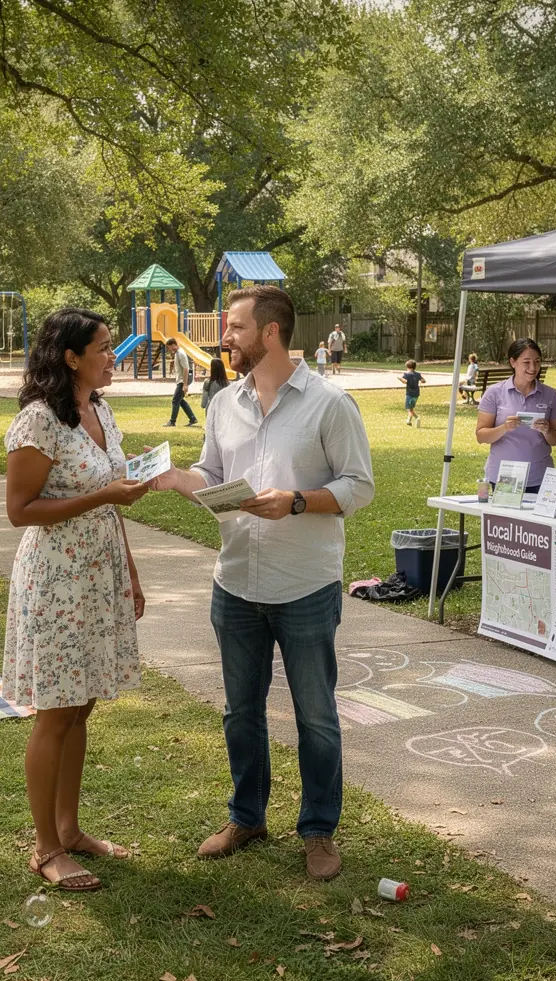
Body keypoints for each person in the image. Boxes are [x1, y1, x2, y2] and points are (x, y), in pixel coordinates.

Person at [152, 286, 374, 880]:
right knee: (240, 713)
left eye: (235, 327)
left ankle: (319, 830)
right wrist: (177, 479)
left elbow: (359, 486)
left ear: (270, 332)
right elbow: (214, 474)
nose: (225, 337)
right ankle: (246, 817)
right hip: (236, 584)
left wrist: (299, 501)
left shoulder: (330, 404)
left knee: (316, 717)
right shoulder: (224, 402)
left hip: (305, 585)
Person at [4, 308, 150, 891]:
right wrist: (103, 496)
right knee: (55, 710)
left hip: (99, 577)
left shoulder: (101, 410)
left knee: (82, 702)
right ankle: (45, 848)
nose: (113, 356)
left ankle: (70, 829)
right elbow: (20, 511)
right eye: (103, 348)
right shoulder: (37, 422)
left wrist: (131, 574)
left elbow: (110, 498)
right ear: (70, 356)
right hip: (56, 582)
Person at [476, 339, 556, 493]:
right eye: (527, 362)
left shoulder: (551, 395)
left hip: (540, 477)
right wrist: (504, 428)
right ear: (513, 362)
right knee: (506, 518)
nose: (533, 367)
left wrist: (547, 431)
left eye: (537, 361)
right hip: (505, 476)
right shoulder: (494, 393)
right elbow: (481, 436)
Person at [163, 338, 199, 427]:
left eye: (170, 347)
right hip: (181, 380)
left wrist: (185, 384)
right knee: (180, 400)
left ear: (173, 345)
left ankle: (172, 421)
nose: (170, 349)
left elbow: (186, 369)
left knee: (175, 400)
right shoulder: (177, 354)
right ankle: (192, 418)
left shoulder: (181, 354)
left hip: (183, 380)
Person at [399, 359, 425, 427]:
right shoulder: (418, 374)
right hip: (416, 394)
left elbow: (404, 381)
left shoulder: (406, 374)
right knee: (411, 408)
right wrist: (419, 380)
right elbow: (423, 381)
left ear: (407, 367)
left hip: (409, 394)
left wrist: (400, 378)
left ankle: (417, 417)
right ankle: (408, 421)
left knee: (409, 408)